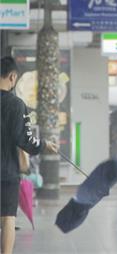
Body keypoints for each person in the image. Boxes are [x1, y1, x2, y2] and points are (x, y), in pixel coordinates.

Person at [1, 56, 57, 254]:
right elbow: (26, 141)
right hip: (7, 173)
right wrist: (44, 145)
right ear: (13, 77)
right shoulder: (17, 105)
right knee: (8, 218)